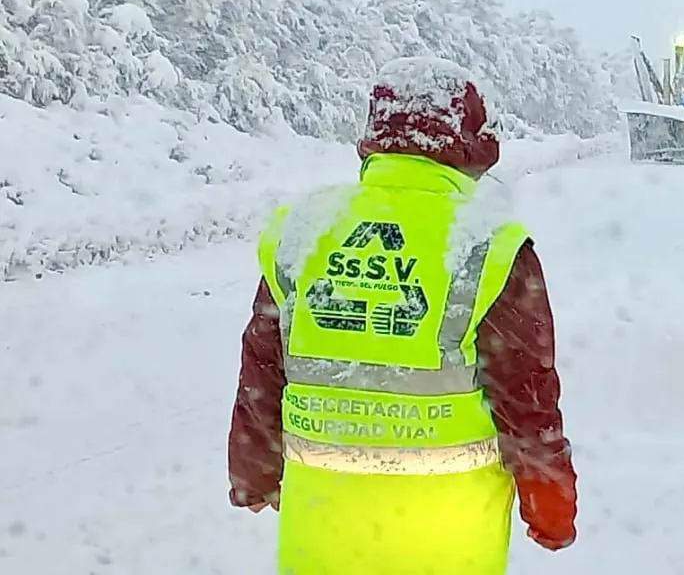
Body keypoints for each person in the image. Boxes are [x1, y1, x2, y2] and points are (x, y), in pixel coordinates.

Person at [227, 56, 578, 574]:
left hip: (321, 532)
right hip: (449, 537)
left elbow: (263, 367)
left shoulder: (305, 232)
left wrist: (254, 472)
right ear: (474, 146)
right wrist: (549, 501)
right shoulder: (489, 245)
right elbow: (525, 392)